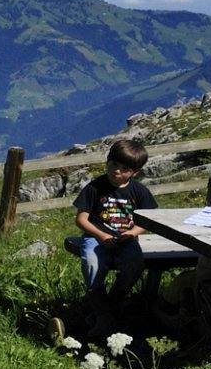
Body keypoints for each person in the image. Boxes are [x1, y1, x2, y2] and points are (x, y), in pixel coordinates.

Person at [67, 137, 157, 323]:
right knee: (92, 263)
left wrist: (133, 233)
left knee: (135, 263)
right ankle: (102, 309)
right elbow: (81, 219)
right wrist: (101, 235)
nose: (117, 170)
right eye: (114, 164)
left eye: (124, 169)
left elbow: (148, 221)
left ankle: (114, 301)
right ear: (107, 161)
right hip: (95, 237)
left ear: (134, 172)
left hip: (126, 239)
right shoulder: (94, 188)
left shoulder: (139, 191)